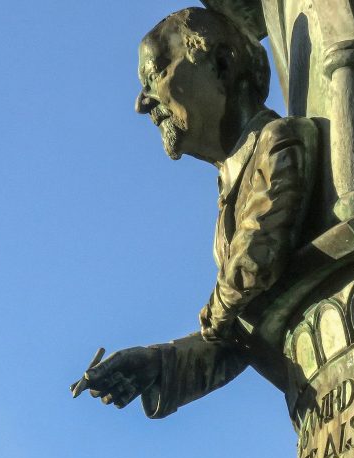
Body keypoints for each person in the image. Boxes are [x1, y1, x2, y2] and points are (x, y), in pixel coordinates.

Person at [71, 7, 316, 417]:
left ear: (221, 64)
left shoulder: (277, 142)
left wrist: (216, 312)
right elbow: (237, 334)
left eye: (155, 75)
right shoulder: (230, 192)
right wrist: (157, 361)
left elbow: (255, 263)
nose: (142, 103)